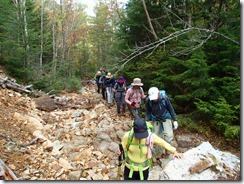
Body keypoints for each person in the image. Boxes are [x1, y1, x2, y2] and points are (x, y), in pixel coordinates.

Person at [117, 118, 183, 180]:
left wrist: (174, 151)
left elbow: (162, 143)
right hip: (129, 168)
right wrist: (120, 151)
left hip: (144, 169)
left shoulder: (150, 136)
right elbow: (122, 147)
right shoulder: (128, 136)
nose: (141, 137)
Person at [145, 87, 178, 159]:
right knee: (156, 136)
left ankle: (167, 149)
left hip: (166, 117)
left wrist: (175, 120)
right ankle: (158, 153)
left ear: (158, 94)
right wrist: (147, 121)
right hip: (156, 119)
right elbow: (148, 111)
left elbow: (170, 109)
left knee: (169, 135)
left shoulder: (164, 98)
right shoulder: (148, 100)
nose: (154, 99)